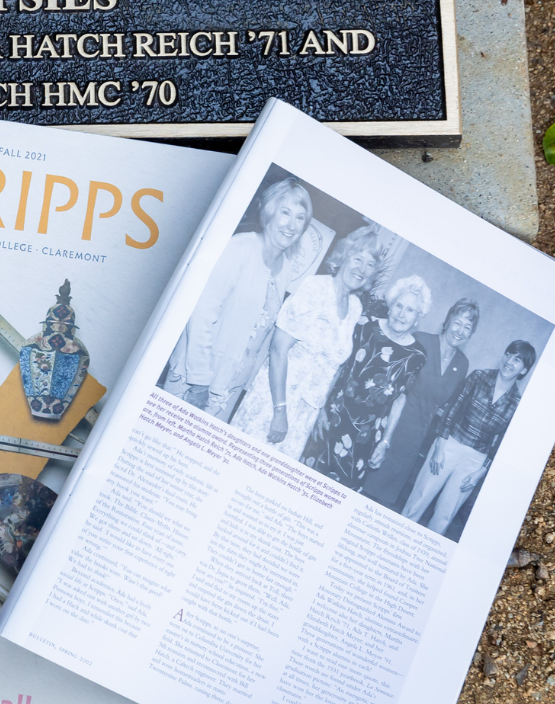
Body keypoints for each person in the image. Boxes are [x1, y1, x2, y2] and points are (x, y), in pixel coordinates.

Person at [164, 177, 315, 419]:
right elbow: (201, 315)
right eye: (285, 213)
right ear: (269, 213)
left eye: (300, 218)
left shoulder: (286, 268)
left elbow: (262, 332)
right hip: (197, 383)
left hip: (230, 387)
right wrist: (200, 381)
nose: (292, 225)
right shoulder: (239, 248)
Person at [232, 226, 380, 458]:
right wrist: (280, 412)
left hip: (305, 413)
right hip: (275, 403)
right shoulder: (315, 288)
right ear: (343, 256)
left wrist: (319, 409)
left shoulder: (355, 308)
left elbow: (333, 365)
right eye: (358, 258)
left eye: (370, 264)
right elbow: (278, 350)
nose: (362, 269)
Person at [301, 276, 431, 491]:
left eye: (410, 310)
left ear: (418, 318)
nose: (401, 314)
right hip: (331, 420)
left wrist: (385, 441)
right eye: (398, 305)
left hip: (365, 437)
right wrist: (321, 409)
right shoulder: (364, 325)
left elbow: (400, 398)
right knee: (305, 481)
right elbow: (338, 368)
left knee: (339, 494)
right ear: (390, 305)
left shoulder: (417, 356)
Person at [402, 341, 538, 536]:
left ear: (524, 369)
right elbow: (451, 411)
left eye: (517, 360)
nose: (509, 361)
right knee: (419, 499)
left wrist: (481, 472)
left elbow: (502, 443)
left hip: (474, 462)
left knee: (445, 516)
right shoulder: (478, 377)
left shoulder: (517, 403)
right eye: (508, 354)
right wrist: (440, 446)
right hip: (449, 444)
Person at [363, 299, 479, 510]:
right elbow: (395, 388)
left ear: (471, 334)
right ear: (447, 321)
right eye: (457, 323)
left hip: (416, 439)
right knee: (366, 488)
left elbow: (447, 404)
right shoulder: (421, 341)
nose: (460, 331)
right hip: (392, 427)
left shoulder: (462, 364)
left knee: (385, 502)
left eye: (467, 327)